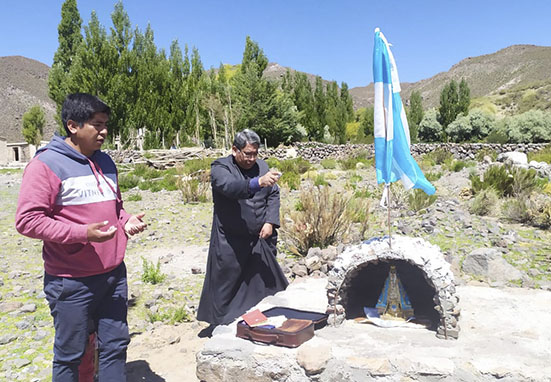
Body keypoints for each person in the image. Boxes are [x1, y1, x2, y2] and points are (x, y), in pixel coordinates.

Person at [15, 93, 147, 381]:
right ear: (72, 126)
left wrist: (126, 221)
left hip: (113, 277)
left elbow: (116, 207)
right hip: (71, 282)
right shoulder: (46, 165)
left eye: (106, 124)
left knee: (115, 347)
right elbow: (27, 221)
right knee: (70, 355)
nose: (104, 132)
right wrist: (82, 234)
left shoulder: (106, 162)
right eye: (97, 125)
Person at [197, 129, 288, 330]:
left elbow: (273, 194)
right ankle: (223, 324)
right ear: (234, 150)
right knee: (227, 284)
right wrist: (257, 182)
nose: (252, 158)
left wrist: (270, 222)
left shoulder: (261, 166)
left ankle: (259, 319)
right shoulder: (221, 168)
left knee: (262, 283)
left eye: (255, 154)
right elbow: (230, 187)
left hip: (259, 238)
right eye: (247, 154)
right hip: (230, 239)